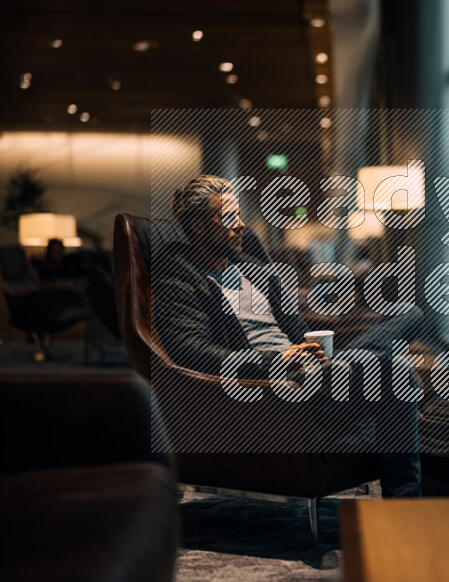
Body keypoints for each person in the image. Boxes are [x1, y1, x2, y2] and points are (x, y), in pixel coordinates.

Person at [154, 175, 423, 497]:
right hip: (275, 386)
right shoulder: (180, 280)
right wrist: (277, 360)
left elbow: (294, 328)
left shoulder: (253, 269)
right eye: (227, 217)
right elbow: (190, 351)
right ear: (198, 226)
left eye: (238, 214)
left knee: (411, 314)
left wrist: (313, 348)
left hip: (311, 371)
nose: (240, 225)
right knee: (399, 373)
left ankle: (337, 374)